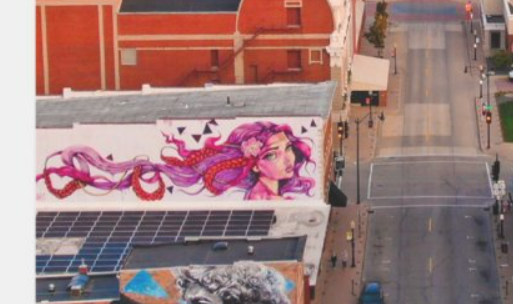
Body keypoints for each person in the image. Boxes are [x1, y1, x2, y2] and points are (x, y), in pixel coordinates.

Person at [38, 120, 317, 203]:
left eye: (287, 148)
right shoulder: (268, 201)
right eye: (272, 154)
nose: (287, 159)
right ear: (254, 164)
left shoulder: (268, 196)